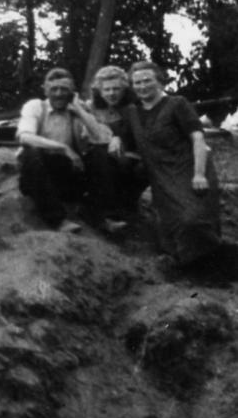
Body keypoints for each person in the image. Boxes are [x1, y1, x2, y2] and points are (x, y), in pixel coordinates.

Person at [123, 60, 229, 271]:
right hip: (161, 176)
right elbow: (128, 141)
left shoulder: (177, 104)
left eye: (147, 80)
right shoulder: (132, 113)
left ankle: (214, 266)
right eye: (137, 83)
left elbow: (198, 140)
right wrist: (117, 139)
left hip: (189, 169)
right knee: (172, 226)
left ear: (160, 82)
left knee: (194, 219)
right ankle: (190, 271)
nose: (142, 86)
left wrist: (199, 174)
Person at [16, 67, 121, 233]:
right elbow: (25, 137)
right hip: (38, 176)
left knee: (100, 154)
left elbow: (103, 139)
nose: (58, 94)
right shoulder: (35, 106)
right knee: (32, 152)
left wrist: (79, 111)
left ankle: (96, 215)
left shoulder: (76, 110)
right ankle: (56, 220)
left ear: (72, 91)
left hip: (67, 177)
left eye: (64, 89)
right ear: (45, 90)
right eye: (54, 89)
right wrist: (64, 148)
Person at [87, 65, 148, 213]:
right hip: (100, 154)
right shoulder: (91, 108)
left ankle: (130, 204)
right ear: (99, 91)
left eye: (116, 89)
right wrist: (112, 137)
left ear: (124, 89)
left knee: (143, 169)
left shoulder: (133, 108)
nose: (111, 93)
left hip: (131, 156)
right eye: (106, 90)